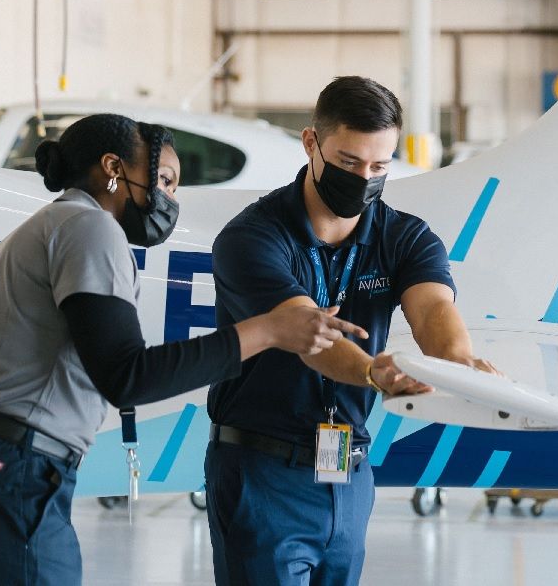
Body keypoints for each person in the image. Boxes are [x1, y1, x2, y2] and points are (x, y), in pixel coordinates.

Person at [0, 113, 363, 586]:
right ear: (112, 168)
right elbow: (127, 376)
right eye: (163, 180)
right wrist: (265, 331)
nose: (170, 199)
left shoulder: (40, 230)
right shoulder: (90, 228)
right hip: (3, 473)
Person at [205, 76, 494, 586]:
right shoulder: (253, 238)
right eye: (348, 162)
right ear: (311, 143)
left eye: (379, 167)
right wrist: (373, 372)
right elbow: (309, 336)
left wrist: (459, 362)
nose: (364, 179)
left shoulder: (405, 237)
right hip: (262, 470)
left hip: (348, 470)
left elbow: (432, 312)